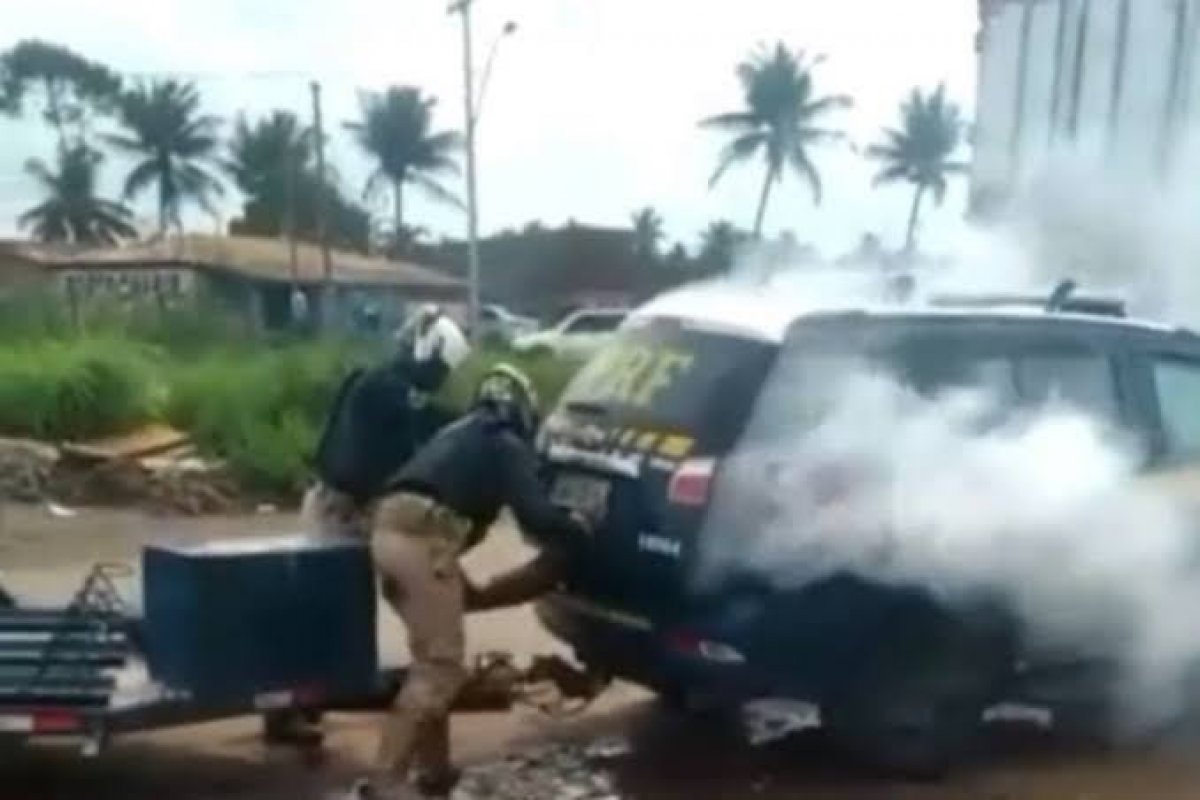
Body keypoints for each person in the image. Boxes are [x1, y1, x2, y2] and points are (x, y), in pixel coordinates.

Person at [350, 364, 589, 800]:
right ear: (522, 412)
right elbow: (536, 516)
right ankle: (385, 783)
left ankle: (435, 771)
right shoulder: (505, 443)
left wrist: (480, 594)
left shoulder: (456, 433)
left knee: (432, 659)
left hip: (388, 531)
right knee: (441, 669)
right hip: (425, 538)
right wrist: (577, 528)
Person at [267, 340, 470, 746]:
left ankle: (299, 705)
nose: (438, 381)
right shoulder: (388, 389)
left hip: (337, 503)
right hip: (343, 509)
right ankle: (292, 708)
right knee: (331, 613)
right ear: (425, 356)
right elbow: (426, 417)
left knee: (330, 611)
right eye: (438, 370)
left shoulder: (373, 379)